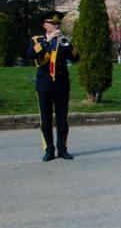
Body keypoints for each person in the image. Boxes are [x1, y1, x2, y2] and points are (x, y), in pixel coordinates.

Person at [27, 10, 80, 161]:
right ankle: (49, 150)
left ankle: (62, 149)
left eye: (58, 24)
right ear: (45, 25)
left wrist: (67, 43)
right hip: (44, 85)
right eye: (53, 23)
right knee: (46, 120)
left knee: (62, 119)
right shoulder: (37, 40)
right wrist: (47, 41)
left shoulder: (63, 40)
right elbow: (30, 54)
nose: (56, 26)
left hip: (62, 85)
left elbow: (76, 58)